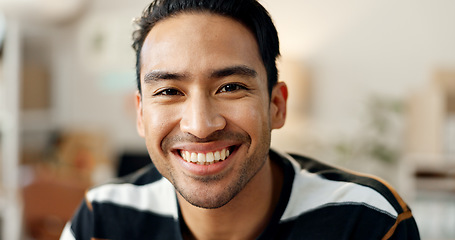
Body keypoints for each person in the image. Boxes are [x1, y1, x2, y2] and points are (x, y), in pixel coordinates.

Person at [60, 0, 420, 239]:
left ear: (276, 105)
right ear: (141, 114)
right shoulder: (102, 219)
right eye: (169, 91)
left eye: (230, 86)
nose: (200, 125)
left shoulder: (366, 221)